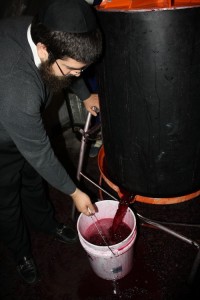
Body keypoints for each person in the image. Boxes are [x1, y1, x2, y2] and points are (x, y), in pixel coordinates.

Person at [0, 0, 102, 284]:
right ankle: (21, 254)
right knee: (6, 201)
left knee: (34, 180)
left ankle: (46, 223)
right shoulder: (16, 88)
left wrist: (84, 93)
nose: (77, 75)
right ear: (44, 50)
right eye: (72, 69)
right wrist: (74, 192)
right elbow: (41, 153)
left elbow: (71, 60)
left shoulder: (44, 29)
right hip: (1, 139)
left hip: (23, 121)